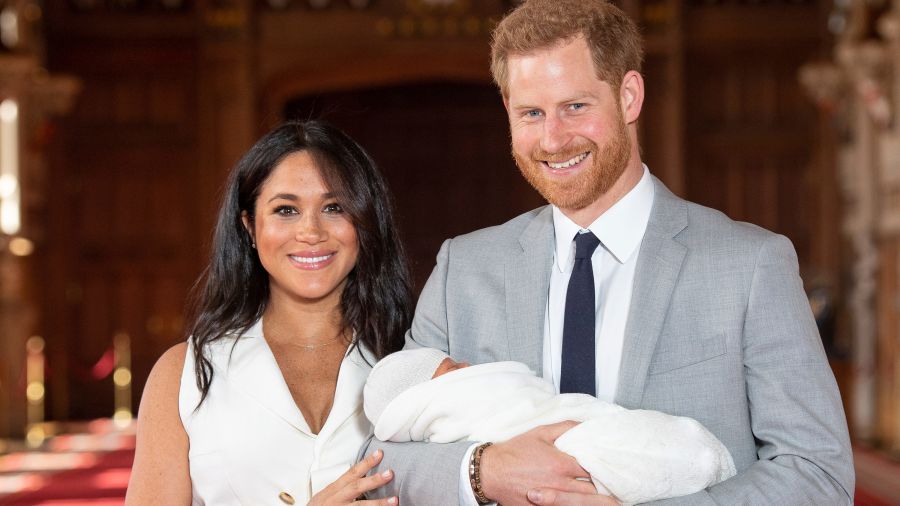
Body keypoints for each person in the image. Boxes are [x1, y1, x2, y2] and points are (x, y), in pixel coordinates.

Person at [365, 1, 855, 505]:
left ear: (628, 97)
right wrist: (482, 471)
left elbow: (817, 472)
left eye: (575, 106)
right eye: (531, 113)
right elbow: (382, 460)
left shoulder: (751, 265)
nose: (553, 139)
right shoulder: (462, 271)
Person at [126, 120, 410, 505]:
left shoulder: (410, 358)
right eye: (286, 210)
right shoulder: (182, 375)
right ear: (249, 226)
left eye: (334, 207)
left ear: (365, 221)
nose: (311, 231)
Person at [363, 348, 736, 505]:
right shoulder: (456, 265)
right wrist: (484, 469)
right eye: (453, 369)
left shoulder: (754, 258)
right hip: (574, 441)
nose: (466, 366)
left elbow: (793, 460)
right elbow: (379, 460)